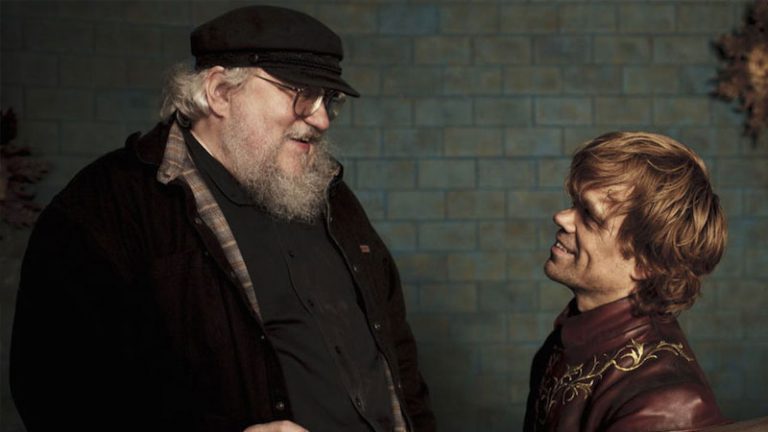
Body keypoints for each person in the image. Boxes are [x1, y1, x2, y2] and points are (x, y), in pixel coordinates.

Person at [10, 6, 435, 432]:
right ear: (220, 92)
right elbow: (56, 396)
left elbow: (398, 360)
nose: (321, 119)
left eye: (329, 100)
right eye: (302, 94)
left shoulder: (333, 197)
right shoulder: (106, 208)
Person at [524, 132, 730, 431]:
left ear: (647, 263)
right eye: (574, 203)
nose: (562, 218)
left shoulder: (667, 404)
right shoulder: (564, 341)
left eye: (590, 215)